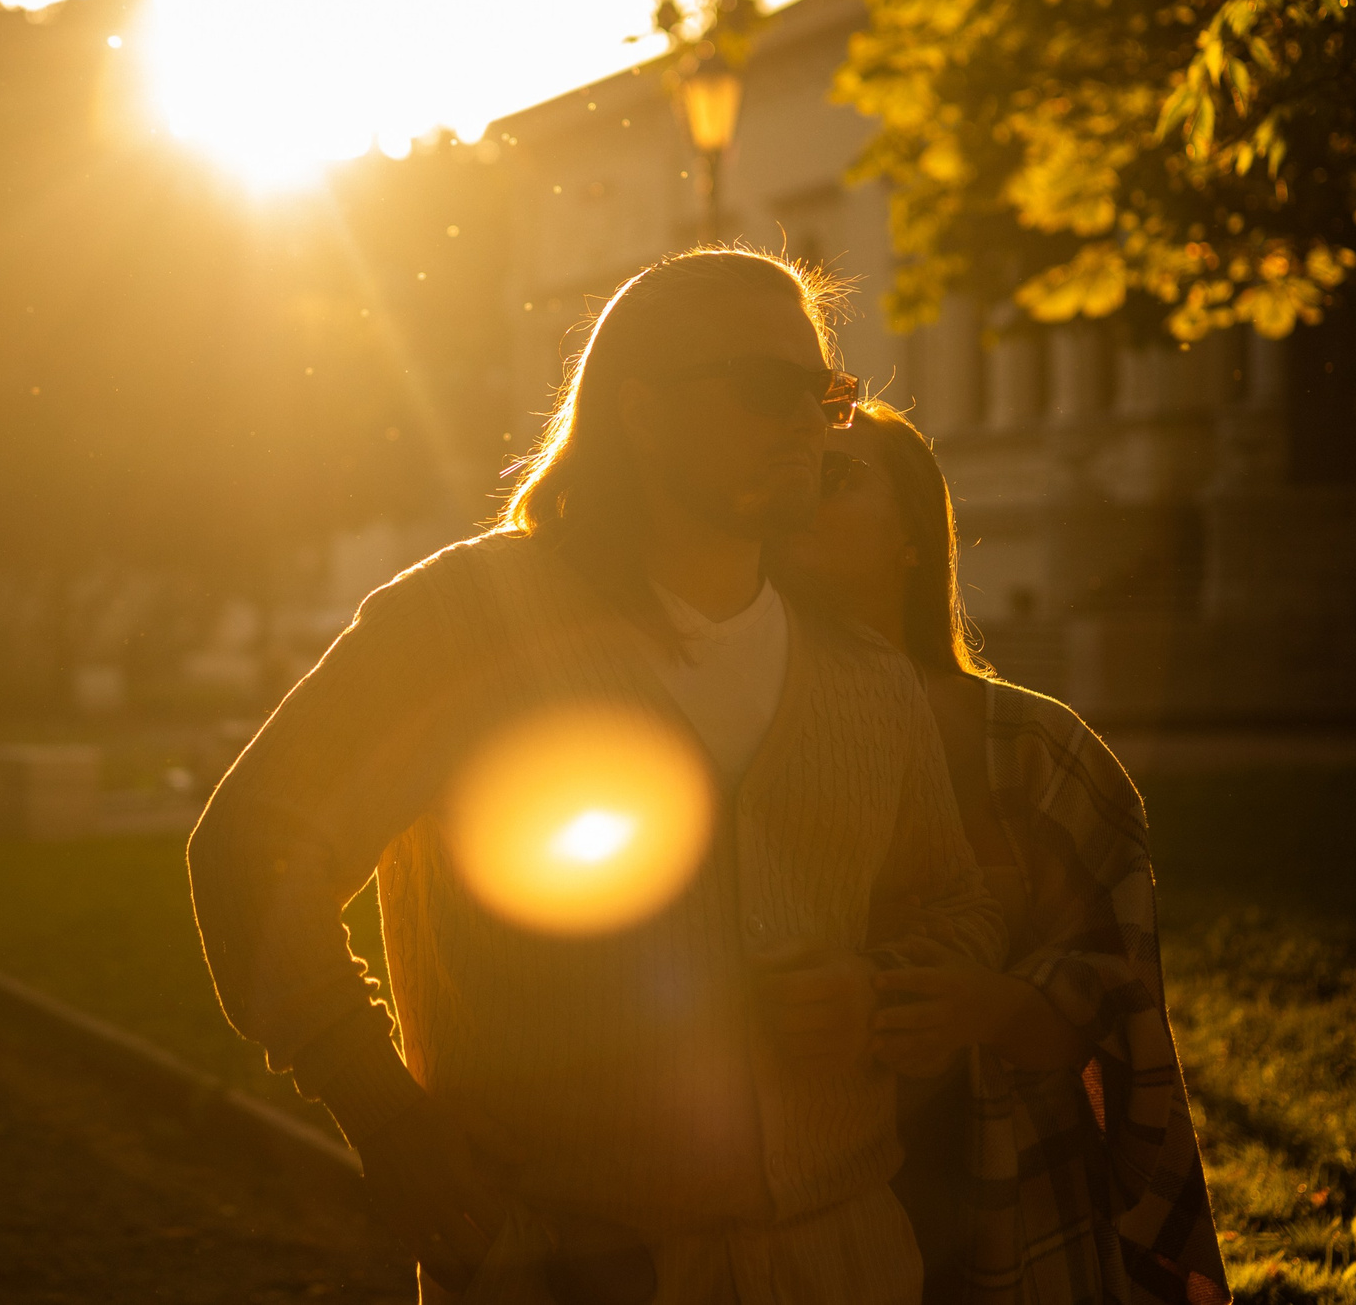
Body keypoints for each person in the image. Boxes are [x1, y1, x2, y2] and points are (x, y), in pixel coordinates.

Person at [188, 249, 1003, 1305]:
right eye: (766, 390)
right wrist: (380, 1109)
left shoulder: (864, 674)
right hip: (558, 1260)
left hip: (840, 1260)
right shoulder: (465, 617)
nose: (808, 422)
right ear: (642, 412)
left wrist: (878, 994)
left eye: (826, 394)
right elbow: (256, 847)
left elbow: (955, 903)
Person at [772, 403, 1231, 1305]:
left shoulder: (1037, 750)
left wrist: (988, 1005)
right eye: (790, 473)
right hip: (791, 1216)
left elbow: (1120, 1014)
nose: (799, 495)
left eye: (837, 475)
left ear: (915, 536)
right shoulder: (726, 737)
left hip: (1009, 1204)